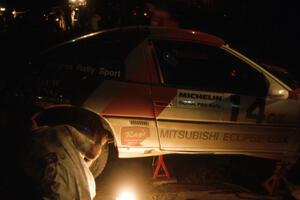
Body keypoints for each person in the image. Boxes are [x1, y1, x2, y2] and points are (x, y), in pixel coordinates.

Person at [22, 124, 108, 200]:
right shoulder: (63, 130)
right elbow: (92, 153)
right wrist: (100, 140)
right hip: (82, 194)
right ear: (33, 121)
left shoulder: (26, 151)